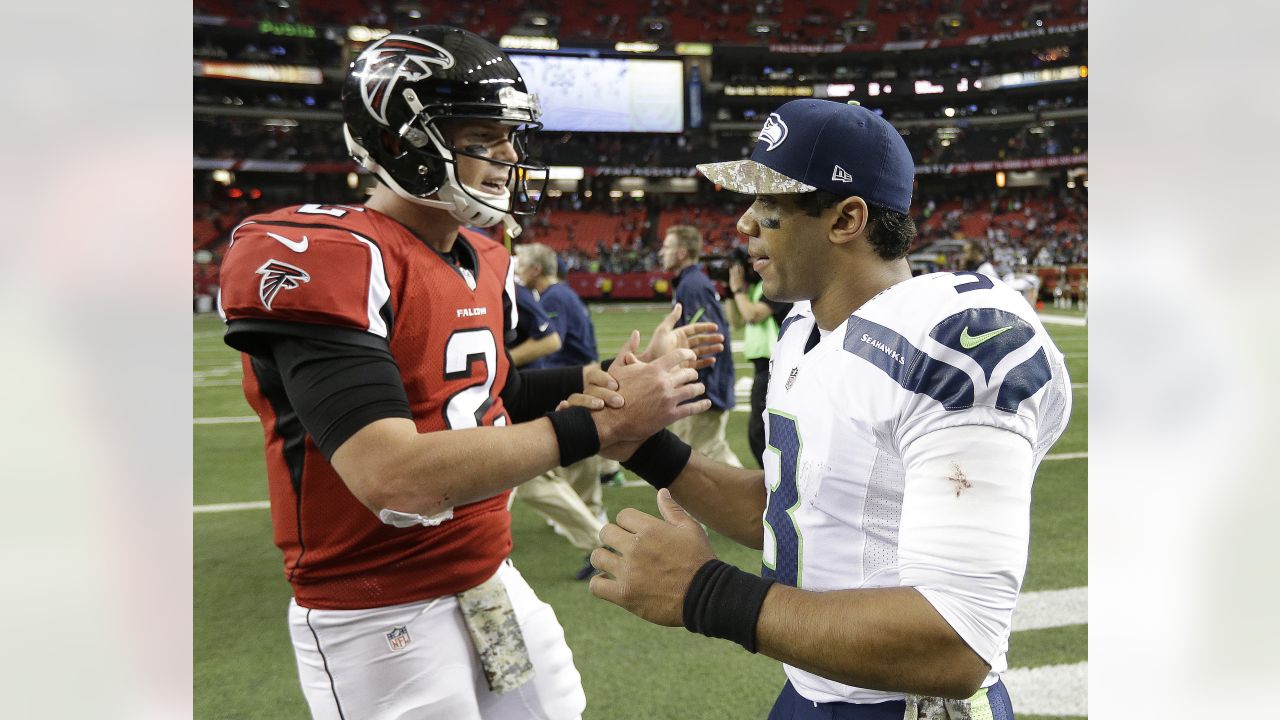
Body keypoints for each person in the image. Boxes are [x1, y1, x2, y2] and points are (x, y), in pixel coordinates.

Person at [215, 26, 715, 720]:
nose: (509, 155)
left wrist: (604, 379)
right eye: (484, 135)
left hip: (488, 576)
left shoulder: (483, 257)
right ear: (403, 143)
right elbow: (394, 477)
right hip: (379, 609)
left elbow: (492, 393)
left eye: (511, 136)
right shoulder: (331, 255)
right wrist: (602, 424)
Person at [585, 99, 1073, 718]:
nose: (742, 225)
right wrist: (644, 444)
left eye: (768, 206)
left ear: (846, 219)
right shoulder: (805, 329)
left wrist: (704, 593)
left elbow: (957, 644)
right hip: (815, 687)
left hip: (907, 703)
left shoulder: (953, 340)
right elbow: (798, 509)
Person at [505, 271, 611, 578]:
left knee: (531, 481)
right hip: (505, 396)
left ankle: (598, 545)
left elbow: (550, 339)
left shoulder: (502, 280)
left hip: (519, 394)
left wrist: (498, 362)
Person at [660, 225, 743, 468]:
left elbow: (707, 337)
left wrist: (687, 380)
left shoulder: (692, 285)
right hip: (703, 385)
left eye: (667, 247)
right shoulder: (690, 283)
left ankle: (758, 502)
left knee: (702, 454)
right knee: (704, 452)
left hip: (704, 388)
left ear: (681, 253)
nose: (661, 252)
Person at [726, 254, 791, 467]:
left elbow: (753, 315)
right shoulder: (755, 290)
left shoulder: (777, 287)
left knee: (761, 432)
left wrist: (736, 290)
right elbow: (736, 321)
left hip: (775, 366)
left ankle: (774, 478)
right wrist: (729, 293)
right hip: (762, 366)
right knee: (758, 431)